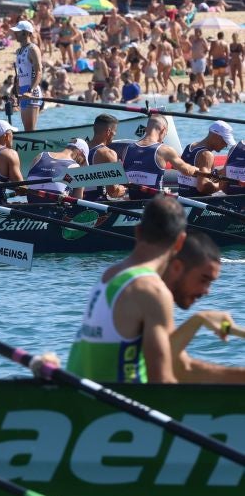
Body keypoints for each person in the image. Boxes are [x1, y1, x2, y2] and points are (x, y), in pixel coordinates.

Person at [67, 196, 188, 383]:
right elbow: (163, 382)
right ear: (180, 242)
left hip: (81, 396)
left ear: (137, 232)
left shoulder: (109, 275)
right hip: (119, 405)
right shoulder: (151, 290)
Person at [164, 231, 245, 383]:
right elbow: (164, 370)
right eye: (203, 279)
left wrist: (199, 319)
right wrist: (200, 319)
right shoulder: (152, 293)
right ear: (176, 267)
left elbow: (181, 368)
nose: (207, 291)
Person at [123, 114, 199, 200]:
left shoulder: (127, 148)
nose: (163, 139)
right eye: (165, 135)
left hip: (132, 202)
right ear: (163, 130)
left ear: (146, 129)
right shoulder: (164, 150)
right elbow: (187, 171)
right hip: (155, 205)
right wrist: (200, 171)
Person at [176, 120, 235, 198]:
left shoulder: (190, 146)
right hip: (197, 203)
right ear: (216, 136)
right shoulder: (207, 155)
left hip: (183, 197)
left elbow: (197, 174)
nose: (226, 145)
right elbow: (202, 187)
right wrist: (221, 186)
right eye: (225, 141)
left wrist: (222, 172)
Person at [84, 114, 126, 200]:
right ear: (108, 132)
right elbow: (112, 192)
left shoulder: (78, 150)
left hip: (77, 201)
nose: (115, 135)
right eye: (114, 133)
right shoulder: (108, 154)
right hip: (96, 205)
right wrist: (122, 188)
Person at [11, 20, 43, 131]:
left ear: (26, 33)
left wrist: (30, 91)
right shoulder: (19, 51)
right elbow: (20, 73)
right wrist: (15, 91)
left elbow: (39, 72)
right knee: (26, 129)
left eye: (18, 32)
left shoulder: (33, 49)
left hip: (31, 91)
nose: (15, 34)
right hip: (22, 91)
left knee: (30, 130)